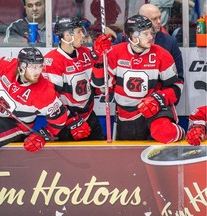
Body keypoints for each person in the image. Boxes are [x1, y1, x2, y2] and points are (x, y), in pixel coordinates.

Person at [0, 47, 90, 215]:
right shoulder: (9, 65)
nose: (38, 71)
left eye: (40, 66)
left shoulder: (45, 91)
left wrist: (44, 135)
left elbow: (59, 120)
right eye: (33, 67)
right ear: (21, 65)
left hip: (15, 124)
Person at [92, 15, 185, 143]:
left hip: (154, 110)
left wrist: (157, 99)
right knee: (128, 156)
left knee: (165, 133)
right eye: (145, 34)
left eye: (151, 33)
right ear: (133, 36)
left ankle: (182, 133)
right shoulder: (115, 53)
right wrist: (99, 59)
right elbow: (100, 86)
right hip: (126, 114)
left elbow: (176, 87)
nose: (151, 37)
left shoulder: (162, 55)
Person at [43, 16, 105, 141]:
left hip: (89, 117)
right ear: (67, 36)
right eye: (79, 32)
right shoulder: (53, 60)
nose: (83, 35)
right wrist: (73, 120)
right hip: (66, 122)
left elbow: (99, 87)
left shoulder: (85, 53)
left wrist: (99, 58)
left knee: (99, 156)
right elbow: (51, 99)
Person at [113, 3, 184, 82]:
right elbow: (109, 67)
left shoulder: (170, 42)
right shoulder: (123, 38)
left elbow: (178, 78)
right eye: (154, 19)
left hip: (156, 91)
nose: (159, 21)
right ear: (141, 20)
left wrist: (161, 94)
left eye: (160, 17)